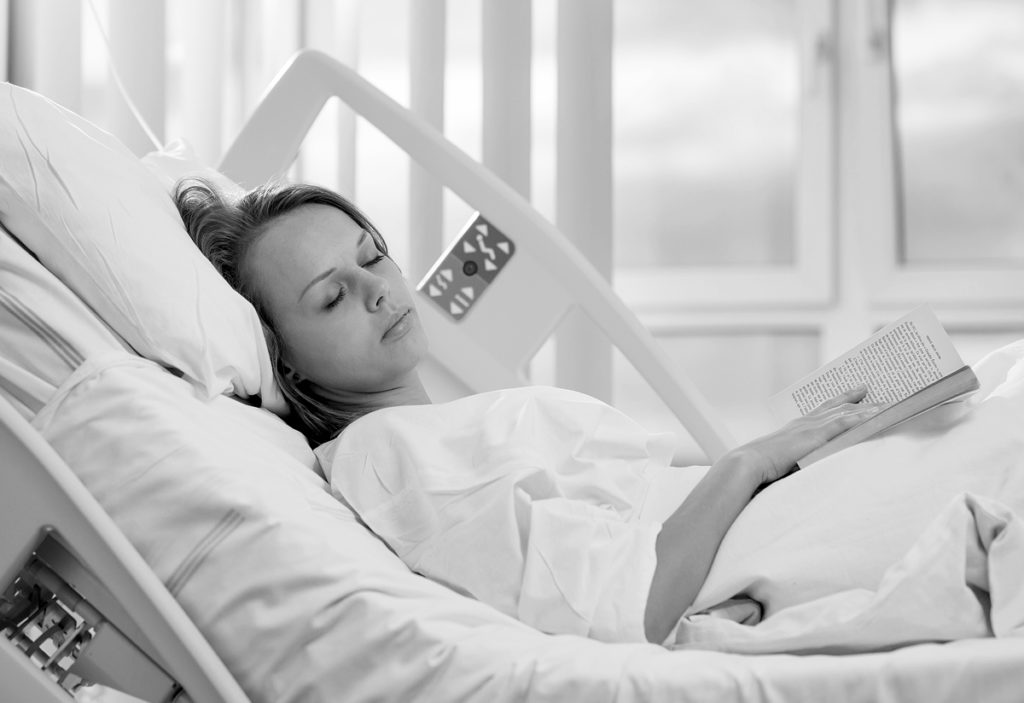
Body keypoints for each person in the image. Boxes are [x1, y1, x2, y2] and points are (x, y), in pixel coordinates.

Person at [175, 178, 881, 646]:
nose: (378, 290)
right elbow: (633, 603)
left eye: (373, 256)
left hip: (768, 524)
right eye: (331, 296)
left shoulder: (429, 431)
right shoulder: (387, 458)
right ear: (283, 359)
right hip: (767, 553)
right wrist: (749, 461)